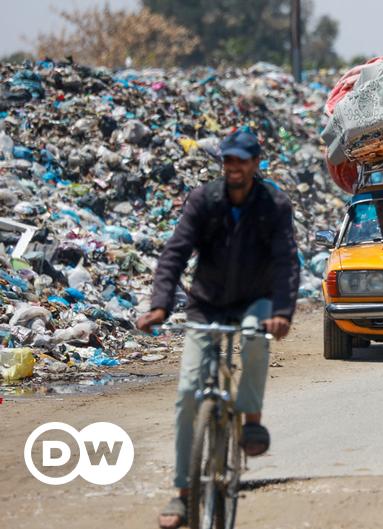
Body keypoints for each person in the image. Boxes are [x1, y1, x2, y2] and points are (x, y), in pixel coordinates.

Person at [136, 129, 300, 529]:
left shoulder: (273, 204)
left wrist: (282, 311)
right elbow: (175, 254)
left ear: (256, 163)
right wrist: (160, 304)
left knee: (254, 338)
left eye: (242, 160)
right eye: (228, 160)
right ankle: (181, 494)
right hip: (206, 303)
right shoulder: (204, 201)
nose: (234, 167)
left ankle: (251, 420)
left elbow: (285, 261)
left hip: (256, 300)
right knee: (187, 395)